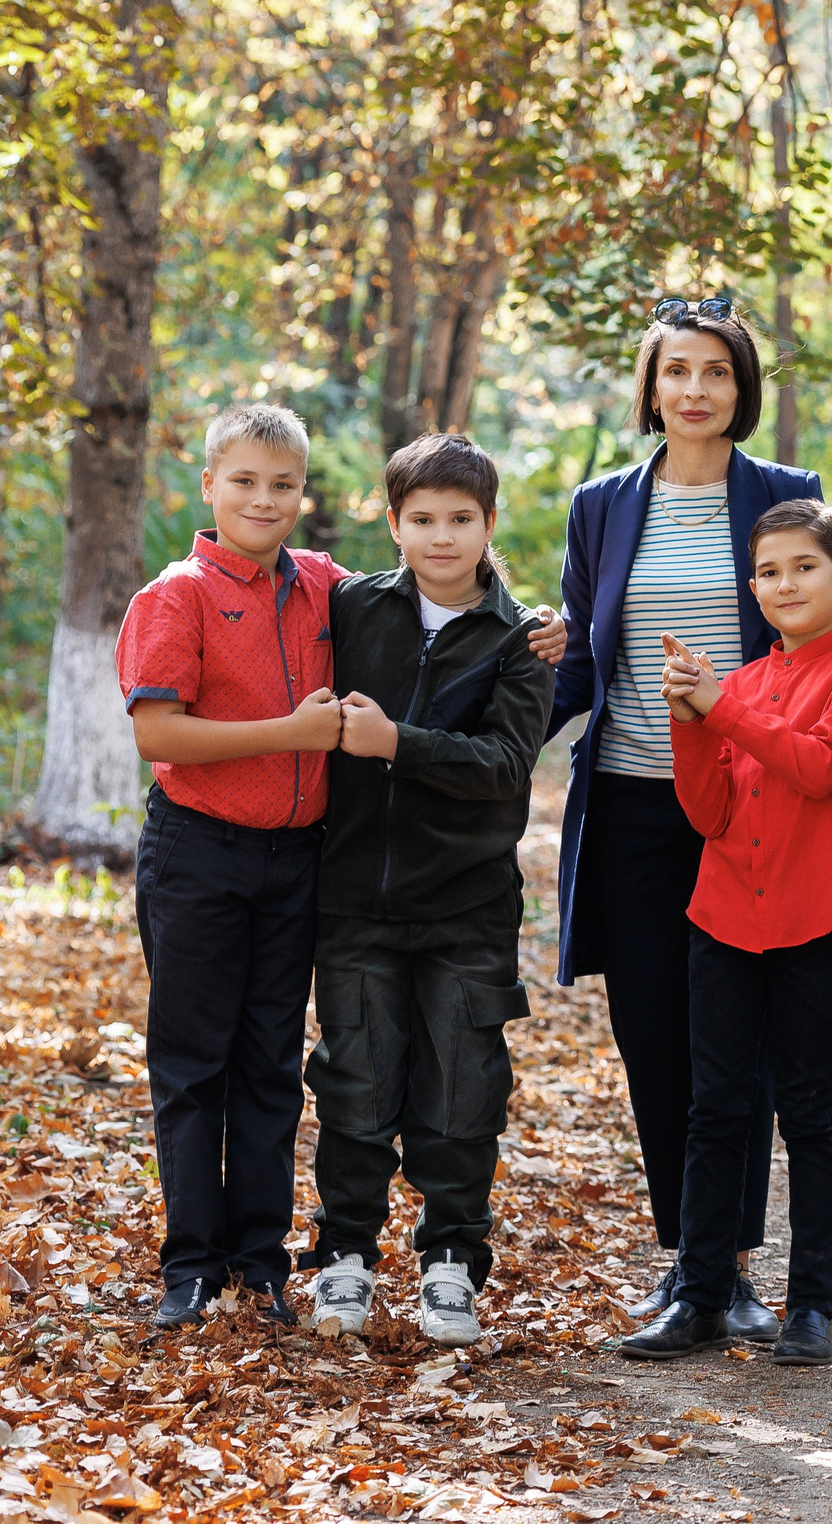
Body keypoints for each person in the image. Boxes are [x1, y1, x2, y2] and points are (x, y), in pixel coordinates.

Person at [117, 406, 561, 1329]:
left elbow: (490, 700)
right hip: (261, 868)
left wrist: (546, 627)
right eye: (243, 481)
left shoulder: (380, 602)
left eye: (282, 484)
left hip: (371, 880)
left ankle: (311, 1258)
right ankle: (235, 1262)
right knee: (256, 1071)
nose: (263, 499)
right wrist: (309, 733)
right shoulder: (254, 595)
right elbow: (159, 729)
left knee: (326, 1072)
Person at [549, 297, 822, 1340]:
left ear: (740, 388)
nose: (695, 390)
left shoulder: (784, 495)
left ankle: (732, 1267)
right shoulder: (603, 504)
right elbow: (586, 654)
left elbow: (808, 636)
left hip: (747, 805)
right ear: (651, 388)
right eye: (676, 372)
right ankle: (685, 1262)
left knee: (733, 1042)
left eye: (715, 371)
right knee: (652, 1033)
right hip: (629, 803)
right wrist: (494, 711)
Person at [618, 499, 832, 1365]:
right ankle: (701, 1291)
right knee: (715, 1110)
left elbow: (818, 766)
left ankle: (812, 1303)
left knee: (807, 1109)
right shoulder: (735, 683)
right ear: (754, 584)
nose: (786, 583)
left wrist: (722, 710)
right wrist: (688, 716)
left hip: (817, 916)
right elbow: (705, 812)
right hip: (724, 916)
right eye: (770, 570)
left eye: (805, 566)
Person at [300, 433, 555, 1348]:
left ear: (489, 524)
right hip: (356, 898)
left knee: (461, 1087)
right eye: (422, 519)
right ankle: (345, 1259)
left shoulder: (523, 639)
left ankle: (451, 1261)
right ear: (394, 522)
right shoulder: (352, 606)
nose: (441, 536)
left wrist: (396, 742)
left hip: (467, 904)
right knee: (356, 1081)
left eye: (460, 519)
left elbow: (505, 764)